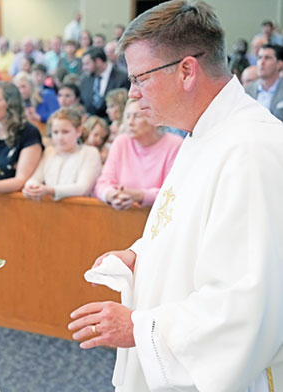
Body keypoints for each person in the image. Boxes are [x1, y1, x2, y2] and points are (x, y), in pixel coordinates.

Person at [68, 1, 283, 391]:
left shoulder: (251, 149)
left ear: (187, 70)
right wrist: (139, 255)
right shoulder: (200, 133)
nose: (131, 94)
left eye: (140, 78)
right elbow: (185, 229)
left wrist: (138, 326)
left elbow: (245, 305)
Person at [94, 99, 182, 208]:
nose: (130, 122)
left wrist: (140, 196)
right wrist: (112, 195)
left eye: (137, 116)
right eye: (127, 117)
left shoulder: (174, 144)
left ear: (154, 119)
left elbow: (175, 192)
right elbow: (102, 184)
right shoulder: (121, 142)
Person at [23, 108, 101, 201]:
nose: (59, 138)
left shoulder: (90, 152)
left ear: (79, 131)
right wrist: (31, 187)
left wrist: (49, 190)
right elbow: (34, 179)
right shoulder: (49, 152)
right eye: (55, 132)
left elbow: (83, 188)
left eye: (65, 132)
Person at [79, 47, 130, 119]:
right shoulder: (84, 80)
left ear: (98, 61)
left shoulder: (122, 78)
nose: (84, 68)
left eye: (87, 64)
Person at [245, 44, 283, 121]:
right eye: (259, 58)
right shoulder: (246, 91)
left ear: (279, 64)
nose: (262, 62)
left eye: (267, 58)